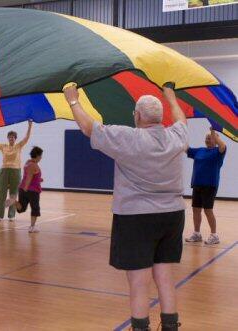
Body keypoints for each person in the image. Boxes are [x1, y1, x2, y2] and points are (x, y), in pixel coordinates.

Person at [63, 83, 188, 331]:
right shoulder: (177, 136)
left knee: (139, 280)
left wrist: (73, 100)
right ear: (160, 117)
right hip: (172, 215)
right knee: (164, 275)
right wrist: (171, 98)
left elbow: (88, 127)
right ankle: (170, 326)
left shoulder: (128, 137)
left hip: (136, 217)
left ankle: (140, 327)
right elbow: (181, 119)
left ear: (137, 116)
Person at [0, 121, 33, 222]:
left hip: (15, 172)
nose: (11, 138)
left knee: (13, 194)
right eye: (9, 137)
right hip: (4, 171)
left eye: (13, 137)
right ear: (8, 138)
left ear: (15, 138)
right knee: (2, 193)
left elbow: (27, 137)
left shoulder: (19, 146)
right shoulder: (3, 146)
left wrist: (30, 125)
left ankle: (11, 215)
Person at [185, 127, 226, 245]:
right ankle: (197, 234)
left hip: (210, 185)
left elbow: (222, 145)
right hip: (197, 184)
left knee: (208, 210)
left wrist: (214, 131)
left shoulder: (218, 152)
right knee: (196, 210)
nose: (208, 140)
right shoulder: (200, 151)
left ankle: (214, 235)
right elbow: (186, 149)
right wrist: (180, 133)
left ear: (216, 139)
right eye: (206, 138)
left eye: (210, 138)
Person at [6, 146, 44, 233]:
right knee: (35, 208)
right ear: (37, 156)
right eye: (41, 156)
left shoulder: (28, 162)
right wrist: (26, 188)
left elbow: (29, 175)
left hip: (22, 188)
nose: (41, 157)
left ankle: (14, 201)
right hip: (32, 190)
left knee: (22, 208)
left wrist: (39, 180)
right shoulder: (34, 165)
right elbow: (29, 177)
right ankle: (32, 227)